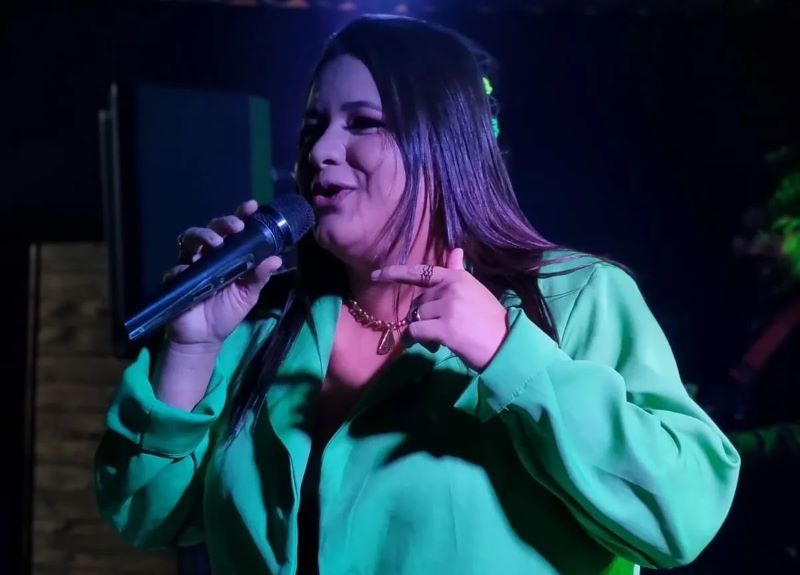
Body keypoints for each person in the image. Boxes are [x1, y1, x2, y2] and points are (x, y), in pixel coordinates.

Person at [94, 14, 739, 575]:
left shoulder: (573, 298)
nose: (321, 151)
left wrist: (510, 355)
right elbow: (145, 515)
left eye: (362, 123)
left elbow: (680, 515)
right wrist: (193, 347)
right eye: (314, 126)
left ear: (443, 144)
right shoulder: (265, 325)